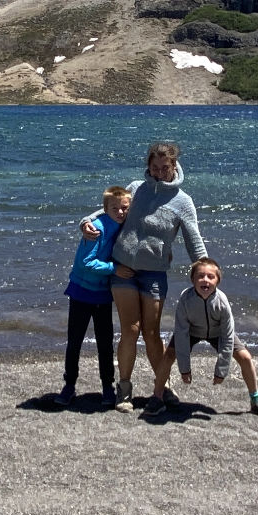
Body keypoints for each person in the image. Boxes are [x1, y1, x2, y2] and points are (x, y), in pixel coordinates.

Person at [90, 139, 207, 409]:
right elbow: (111, 211)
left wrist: (205, 270)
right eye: (154, 167)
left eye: (164, 167)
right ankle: (125, 390)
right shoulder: (135, 189)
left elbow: (194, 241)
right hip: (123, 270)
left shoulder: (183, 202)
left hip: (154, 274)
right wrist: (88, 221)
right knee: (130, 330)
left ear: (174, 165)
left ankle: (162, 386)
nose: (158, 172)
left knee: (152, 332)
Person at [168, 258, 258, 416]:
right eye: (200, 276)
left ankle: (256, 400)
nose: (205, 280)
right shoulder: (185, 299)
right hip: (192, 331)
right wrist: (184, 369)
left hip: (217, 333)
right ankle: (158, 395)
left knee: (245, 357)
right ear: (192, 280)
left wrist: (221, 371)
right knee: (168, 354)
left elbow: (228, 336)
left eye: (211, 277)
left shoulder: (222, 302)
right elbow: (181, 334)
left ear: (218, 281)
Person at [58, 185, 129, 405]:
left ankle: (107, 387)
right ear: (105, 208)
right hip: (81, 291)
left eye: (124, 208)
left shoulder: (123, 225)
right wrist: (114, 269)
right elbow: (86, 262)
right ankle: (69, 385)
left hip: (103, 295)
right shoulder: (96, 228)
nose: (120, 212)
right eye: (115, 208)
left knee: (105, 343)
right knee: (75, 342)